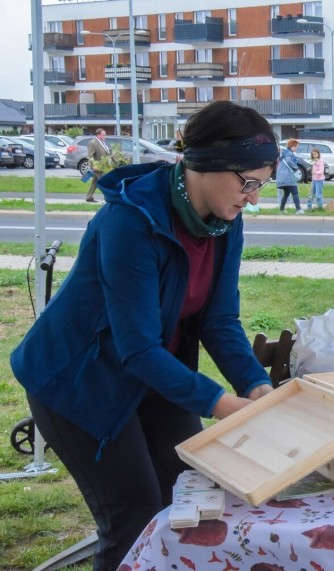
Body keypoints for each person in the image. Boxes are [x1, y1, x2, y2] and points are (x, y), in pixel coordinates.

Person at [10, 101, 278, 570]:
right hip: (77, 382)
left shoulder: (224, 223)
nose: (253, 196)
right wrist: (220, 404)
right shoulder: (130, 222)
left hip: (155, 372)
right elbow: (136, 346)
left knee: (186, 502)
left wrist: (256, 387)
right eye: (248, 182)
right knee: (133, 518)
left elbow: (219, 321)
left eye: (262, 183)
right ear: (209, 165)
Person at [277, 138, 303, 214]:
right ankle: (299, 210)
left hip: (283, 178)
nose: (297, 148)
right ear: (293, 145)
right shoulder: (289, 153)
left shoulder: (284, 152)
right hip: (289, 177)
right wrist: (296, 168)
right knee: (295, 192)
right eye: (296, 146)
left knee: (286, 193)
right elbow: (288, 161)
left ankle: (281, 210)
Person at [85, 128, 109, 202]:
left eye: (105, 135)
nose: (105, 136)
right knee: (104, 182)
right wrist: (93, 166)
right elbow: (90, 156)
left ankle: (89, 197)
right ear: (98, 135)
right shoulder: (93, 143)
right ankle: (108, 197)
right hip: (98, 167)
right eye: (103, 135)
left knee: (95, 182)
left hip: (103, 167)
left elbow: (106, 153)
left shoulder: (102, 142)